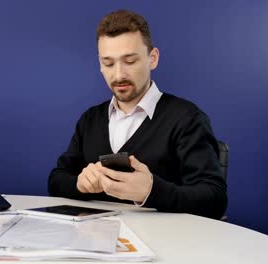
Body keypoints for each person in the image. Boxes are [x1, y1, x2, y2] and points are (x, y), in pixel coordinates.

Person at [48, 9, 227, 219]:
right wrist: (79, 184)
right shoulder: (90, 119)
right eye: (108, 63)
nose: (119, 74)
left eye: (130, 61)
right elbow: (56, 179)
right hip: (94, 242)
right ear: (100, 65)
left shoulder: (187, 119)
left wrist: (151, 191)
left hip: (165, 245)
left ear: (153, 59)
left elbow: (215, 199)